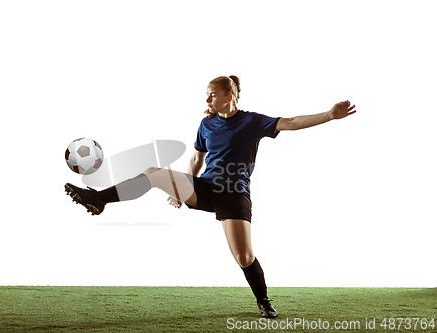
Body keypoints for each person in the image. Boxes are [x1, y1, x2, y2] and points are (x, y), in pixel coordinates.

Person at [64, 75, 356, 318]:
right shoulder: (206, 124)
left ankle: (263, 301)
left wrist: (330, 115)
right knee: (154, 173)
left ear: (229, 96)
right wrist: (178, 191)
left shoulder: (252, 122)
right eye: (206, 95)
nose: (207, 101)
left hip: (234, 194)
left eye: (212, 95)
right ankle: (100, 199)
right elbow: (195, 161)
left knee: (243, 256)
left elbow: (290, 122)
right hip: (205, 187)